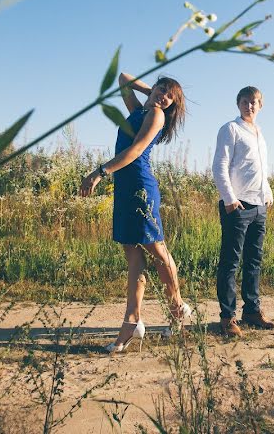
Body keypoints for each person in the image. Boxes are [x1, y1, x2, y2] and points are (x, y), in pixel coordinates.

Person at [80, 73, 191, 353]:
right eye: (160, 90)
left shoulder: (156, 116)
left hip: (140, 186)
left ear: (170, 107)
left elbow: (136, 149)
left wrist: (100, 172)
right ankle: (133, 322)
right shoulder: (140, 110)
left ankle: (177, 307)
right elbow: (123, 79)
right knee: (132, 253)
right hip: (125, 186)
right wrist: (155, 91)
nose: (162, 96)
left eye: (170, 97)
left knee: (157, 250)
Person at [212, 85, 274, 337]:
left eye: (254, 102)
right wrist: (229, 199)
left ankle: (251, 311)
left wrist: (268, 193)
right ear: (238, 104)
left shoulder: (259, 133)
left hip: (259, 206)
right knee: (230, 263)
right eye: (245, 101)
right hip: (237, 206)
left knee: (253, 262)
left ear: (260, 106)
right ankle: (227, 318)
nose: (250, 106)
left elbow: (260, 168)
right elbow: (220, 165)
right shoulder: (231, 129)